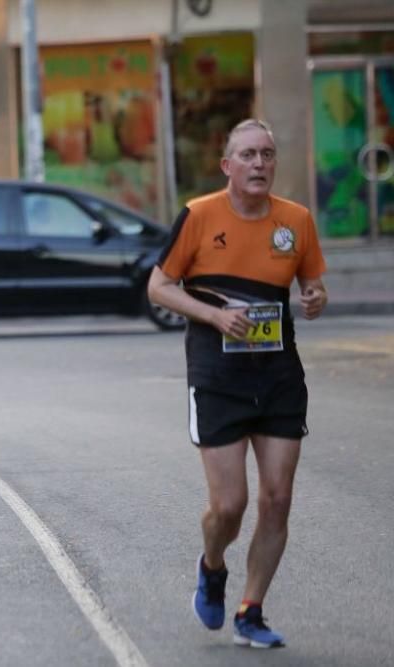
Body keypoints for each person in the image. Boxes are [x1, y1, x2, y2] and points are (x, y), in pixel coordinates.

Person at [147, 119, 327, 649]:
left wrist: (316, 299)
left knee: (277, 498)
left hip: (277, 375)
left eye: (267, 154)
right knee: (230, 505)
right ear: (228, 166)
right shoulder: (199, 216)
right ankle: (212, 564)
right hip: (217, 375)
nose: (259, 164)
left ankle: (251, 610)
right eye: (248, 155)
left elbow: (312, 286)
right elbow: (159, 287)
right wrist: (213, 315)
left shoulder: (296, 221)